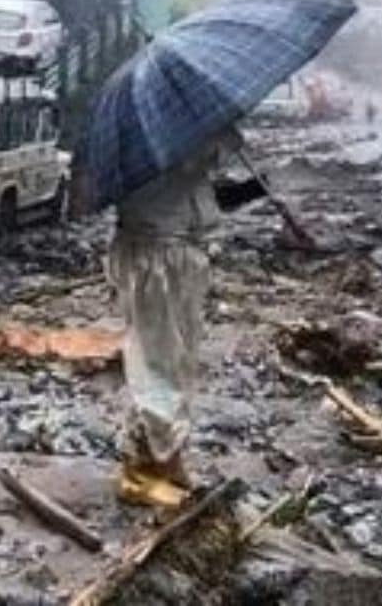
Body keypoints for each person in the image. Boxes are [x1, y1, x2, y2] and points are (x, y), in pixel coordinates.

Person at [107, 128, 267, 507]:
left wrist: (248, 188)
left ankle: (166, 456)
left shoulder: (169, 138)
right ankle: (139, 471)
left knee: (176, 363)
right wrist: (224, 134)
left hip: (174, 255)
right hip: (158, 258)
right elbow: (203, 159)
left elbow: (199, 190)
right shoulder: (160, 141)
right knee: (156, 363)